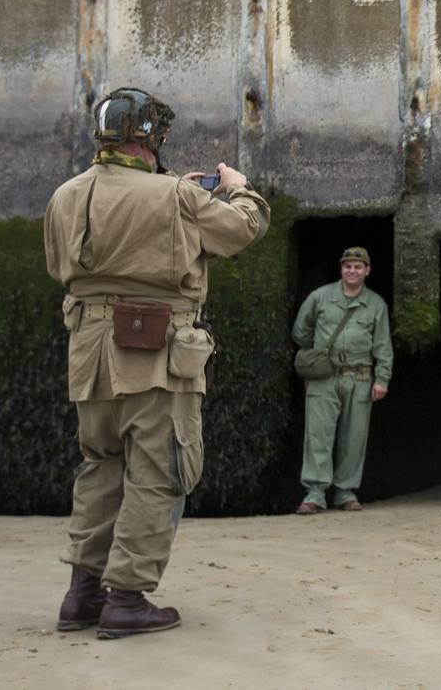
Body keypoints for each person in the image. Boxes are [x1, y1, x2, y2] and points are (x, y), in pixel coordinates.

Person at [44, 87, 270, 638]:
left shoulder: (66, 195)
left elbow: (59, 265)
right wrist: (239, 190)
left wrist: (173, 198)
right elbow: (243, 228)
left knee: (100, 466)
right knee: (159, 472)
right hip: (156, 353)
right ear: (150, 141)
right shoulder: (177, 197)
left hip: (90, 353)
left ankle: (83, 595)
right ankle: (127, 597)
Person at [292, 247, 394, 514]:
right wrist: (316, 358)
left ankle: (346, 491)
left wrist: (381, 379)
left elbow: (383, 346)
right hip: (324, 377)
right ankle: (315, 492)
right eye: (348, 266)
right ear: (341, 269)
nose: (352, 271)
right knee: (318, 435)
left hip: (359, 377)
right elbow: (300, 332)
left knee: (354, 438)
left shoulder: (376, 304)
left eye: (358, 267)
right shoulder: (320, 297)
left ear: (367, 271)